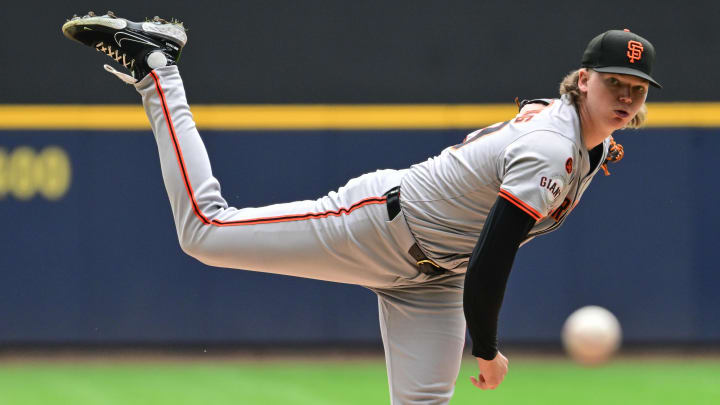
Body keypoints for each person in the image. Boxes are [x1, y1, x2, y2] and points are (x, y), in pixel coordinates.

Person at [62, 12, 660, 404]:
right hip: (379, 225)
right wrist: (485, 347)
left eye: (636, 90)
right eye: (615, 84)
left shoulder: (585, 138)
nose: (626, 97)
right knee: (204, 232)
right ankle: (157, 69)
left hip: (432, 282)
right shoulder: (553, 148)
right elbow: (492, 259)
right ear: (583, 80)